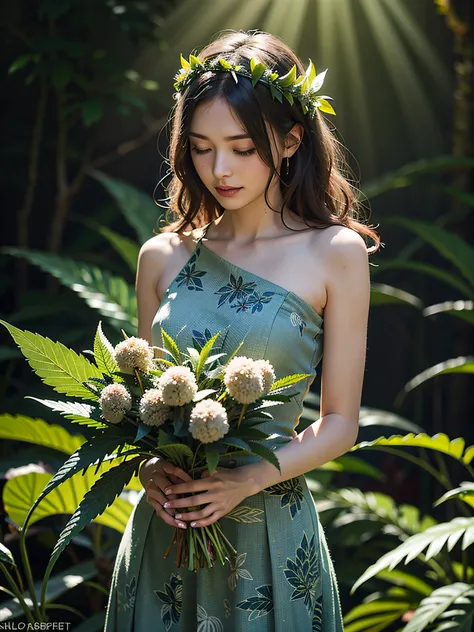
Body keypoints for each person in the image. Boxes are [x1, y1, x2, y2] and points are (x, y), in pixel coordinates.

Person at [104, 28, 380, 632]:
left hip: (268, 533)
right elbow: (152, 410)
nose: (219, 169)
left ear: (288, 141)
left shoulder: (334, 252)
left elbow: (340, 424)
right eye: (201, 148)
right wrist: (152, 469)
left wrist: (246, 478)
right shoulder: (162, 256)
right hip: (165, 532)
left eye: (241, 147)